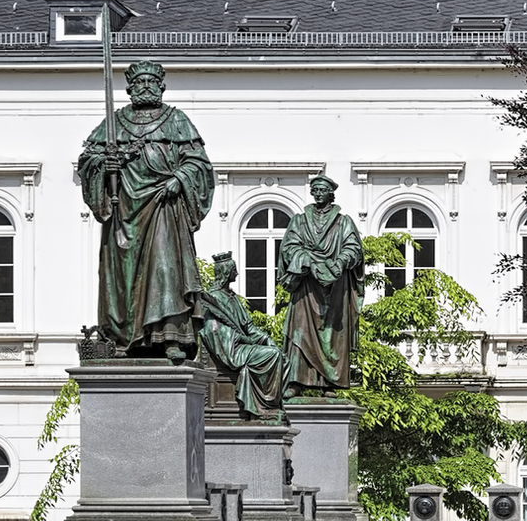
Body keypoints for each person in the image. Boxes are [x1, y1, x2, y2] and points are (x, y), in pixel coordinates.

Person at [76, 60, 214, 361]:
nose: (147, 86)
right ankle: (124, 339)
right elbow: (87, 161)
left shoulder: (177, 120)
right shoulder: (115, 123)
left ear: (162, 86)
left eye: (153, 81)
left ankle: (170, 336)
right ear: (129, 88)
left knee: (166, 270)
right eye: (140, 82)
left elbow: (199, 163)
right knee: (122, 279)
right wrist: (104, 165)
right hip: (124, 211)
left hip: (163, 207)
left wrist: (180, 178)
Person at [280, 175, 364, 394]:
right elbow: (289, 247)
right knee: (300, 330)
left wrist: (340, 262)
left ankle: (330, 383)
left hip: (335, 286)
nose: (317, 193)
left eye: (322, 189)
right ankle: (296, 382)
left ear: (331, 193)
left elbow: (354, 248)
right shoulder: (299, 220)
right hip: (307, 286)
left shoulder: (343, 222)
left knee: (334, 336)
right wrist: (306, 259)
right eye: (314, 189)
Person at [199, 252, 288, 419]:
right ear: (226, 273)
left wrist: (267, 339)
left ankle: (269, 404)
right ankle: (264, 406)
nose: (237, 274)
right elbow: (212, 330)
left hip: (242, 345)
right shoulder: (213, 298)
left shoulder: (232, 297)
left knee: (281, 356)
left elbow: (248, 326)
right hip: (231, 349)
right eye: (234, 270)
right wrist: (240, 338)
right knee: (273, 355)